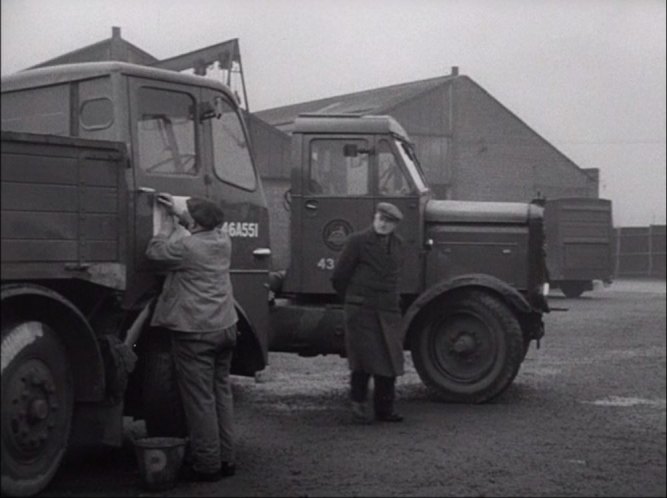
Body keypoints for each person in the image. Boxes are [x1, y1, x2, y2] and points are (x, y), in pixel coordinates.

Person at [145, 193, 238, 481]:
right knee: (221, 394)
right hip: (225, 327)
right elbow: (199, 227)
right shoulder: (223, 241)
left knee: (200, 401)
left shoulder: (185, 247)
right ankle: (227, 460)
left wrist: (165, 227)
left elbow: (155, 253)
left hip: (195, 332)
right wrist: (181, 212)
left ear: (195, 223)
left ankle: (207, 465)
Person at [331, 202, 406, 423]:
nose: (383, 224)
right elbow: (339, 276)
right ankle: (359, 405)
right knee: (363, 361)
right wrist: (353, 299)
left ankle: (385, 410)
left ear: (395, 226)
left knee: (389, 361)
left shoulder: (398, 245)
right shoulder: (358, 241)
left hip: (388, 310)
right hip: (362, 310)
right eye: (381, 219)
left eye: (389, 221)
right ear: (374, 218)